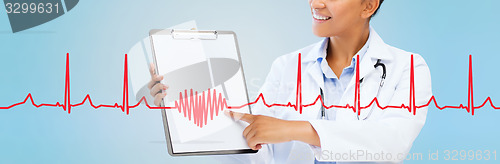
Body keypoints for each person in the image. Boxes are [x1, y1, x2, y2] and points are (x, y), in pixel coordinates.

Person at [148, 0, 432, 163]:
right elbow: (259, 151)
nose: (315, 3)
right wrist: (185, 106)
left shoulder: (407, 67)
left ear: (368, 5)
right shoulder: (287, 66)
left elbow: (391, 144)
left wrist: (299, 129)